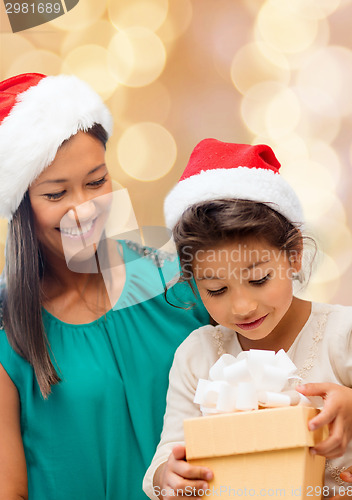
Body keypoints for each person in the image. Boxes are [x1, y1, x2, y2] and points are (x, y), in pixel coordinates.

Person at [0, 73, 210, 500]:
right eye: (56, 194)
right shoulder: (9, 336)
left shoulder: (178, 284)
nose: (84, 209)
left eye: (96, 181)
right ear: (20, 207)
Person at [142, 139, 352, 499]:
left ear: (294, 257)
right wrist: (168, 475)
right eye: (216, 289)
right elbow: (166, 458)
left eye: (259, 280)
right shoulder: (198, 356)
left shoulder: (348, 337)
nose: (242, 307)